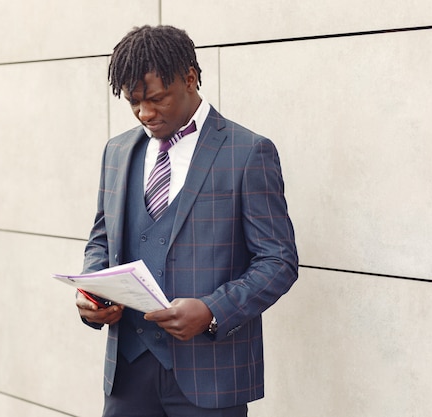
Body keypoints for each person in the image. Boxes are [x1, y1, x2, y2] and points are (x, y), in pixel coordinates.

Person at [76, 24, 298, 417]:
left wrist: (213, 310)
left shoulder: (248, 152)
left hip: (211, 377)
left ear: (190, 78)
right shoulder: (117, 151)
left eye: (157, 99)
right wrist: (92, 294)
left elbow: (278, 261)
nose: (145, 113)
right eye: (133, 102)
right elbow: (101, 240)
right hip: (128, 372)